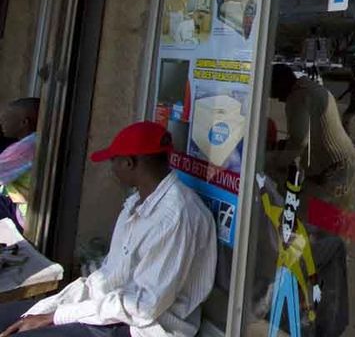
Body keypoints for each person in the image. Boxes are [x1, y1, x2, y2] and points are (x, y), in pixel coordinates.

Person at [0, 121, 217, 337]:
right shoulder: (135, 203)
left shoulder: (178, 217)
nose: (111, 168)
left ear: (129, 163)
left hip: (143, 329)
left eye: (113, 161)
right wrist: (49, 309)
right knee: (10, 319)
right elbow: (106, 278)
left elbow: (142, 307)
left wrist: (57, 316)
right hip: (111, 311)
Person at [270, 64, 355, 189]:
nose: (279, 100)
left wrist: (278, 162)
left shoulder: (298, 97)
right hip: (343, 159)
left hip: (330, 167)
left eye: (276, 94)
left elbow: (299, 140)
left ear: (281, 85)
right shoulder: (312, 88)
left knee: (311, 206)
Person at [0, 98, 39, 232]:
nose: (2, 123)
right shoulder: (34, 141)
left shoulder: (25, 148)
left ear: (24, 123)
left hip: (26, 215)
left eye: (6, 118)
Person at [337, 65, 355, 144]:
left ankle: (347, 136)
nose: (353, 71)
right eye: (353, 69)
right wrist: (342, 96)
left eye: (354, 69)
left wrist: (354, 87)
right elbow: (350, 88)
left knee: (345, 118)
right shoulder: (354, 77)